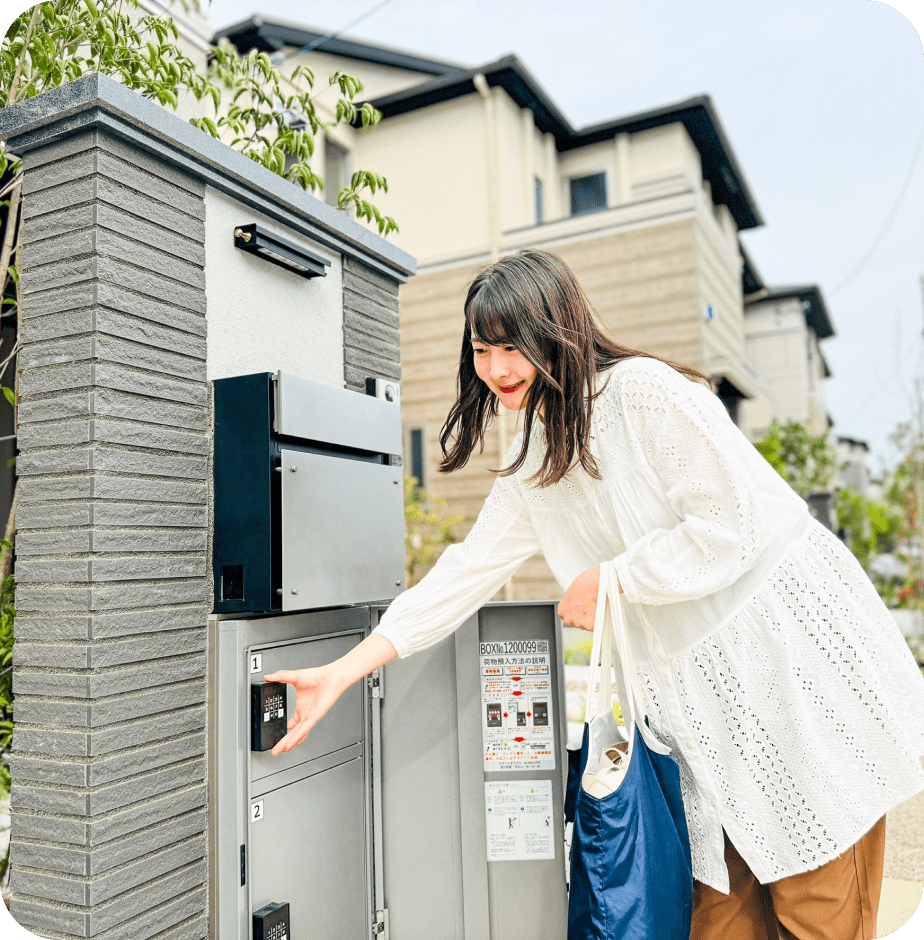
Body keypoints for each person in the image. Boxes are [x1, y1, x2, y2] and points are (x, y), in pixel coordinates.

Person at [266, 249, 924, 940]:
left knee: (816, 914)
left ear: (557, 330)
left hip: (788, 684)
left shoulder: (641, 393)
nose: (496, 368)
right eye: (482, 349)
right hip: (699, 730)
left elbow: (735, 522)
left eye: (511, 345)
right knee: (719, 923)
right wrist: (343, 671)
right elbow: (462, 573)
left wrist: (613, 577)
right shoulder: (533, 459)